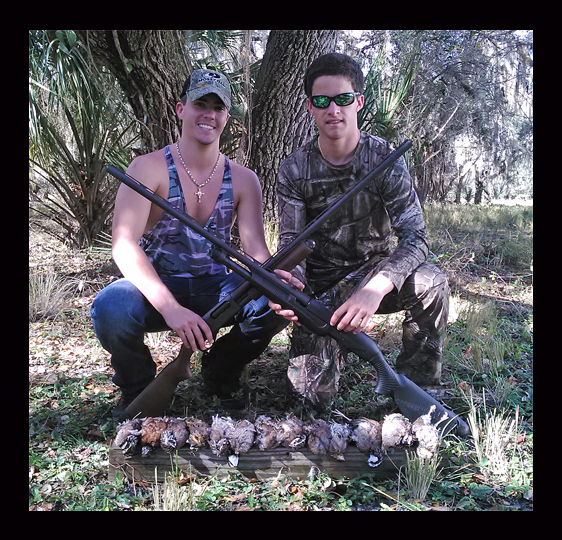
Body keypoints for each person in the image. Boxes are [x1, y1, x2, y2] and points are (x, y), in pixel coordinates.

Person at [91, 69, 293, 417]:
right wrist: (171, 309)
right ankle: (138, 387)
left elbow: (256, 252)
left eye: (218, 107)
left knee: (276, 301)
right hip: (156, 287)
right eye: (201, 104)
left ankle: (220, 371)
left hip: (216, 287)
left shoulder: (245, 180)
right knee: (111, 308)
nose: (209, 114)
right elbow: (123, 245)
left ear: (226, 117)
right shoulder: (147, 168)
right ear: (181, 109)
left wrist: (275, 279)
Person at [271, 53, 450, 408]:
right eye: (322, 101)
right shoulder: (293, 169)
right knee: (310, 404)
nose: (333, 109)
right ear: (309, 106)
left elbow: (416, 239)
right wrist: (291, 287)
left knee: (431, 283)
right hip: (319, 291)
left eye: (343, 98)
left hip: (374, 277)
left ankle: (419, 389)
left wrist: (374, 289)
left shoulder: (385, 159)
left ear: (359, 102)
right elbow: (292, 243)